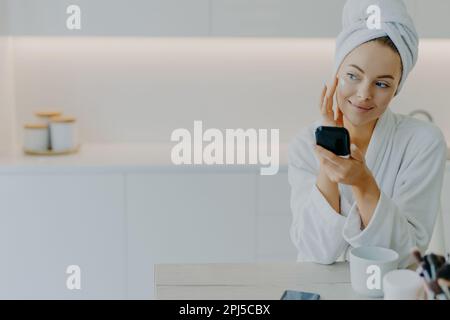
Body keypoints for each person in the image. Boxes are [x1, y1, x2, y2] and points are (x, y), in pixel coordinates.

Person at [288, 0, 448, 268]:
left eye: (382, 83)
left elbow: (407, 254)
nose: (364, 93)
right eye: (353, 75)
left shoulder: (424, 142)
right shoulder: (305, 145)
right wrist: (329, 157)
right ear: (337, 73)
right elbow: (316, 251)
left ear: (397, 88)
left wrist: (364, 184)